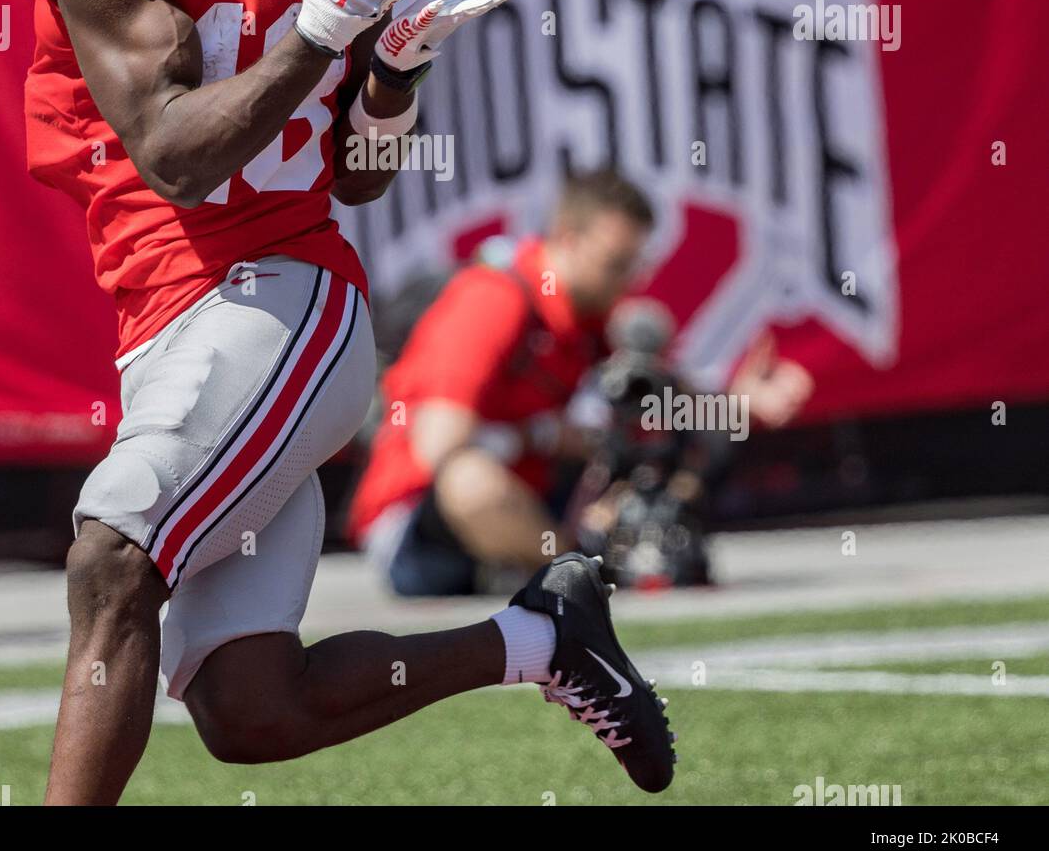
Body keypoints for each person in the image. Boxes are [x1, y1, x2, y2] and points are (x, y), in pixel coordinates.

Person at [17, 0, 676, 803]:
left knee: (112, 559)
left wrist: (392, 67)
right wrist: (319, 31)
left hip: (284, 302)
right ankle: (542, 638)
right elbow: (173, 154)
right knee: (251, 707)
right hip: (171, 316)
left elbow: (357, 172)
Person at [348, 170, 813, 595]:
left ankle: (582, 561)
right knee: (470, 479)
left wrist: (737, 405)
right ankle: (591, 571)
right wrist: (549, 437)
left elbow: (662, 397)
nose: (629, 280)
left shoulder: (588, 313)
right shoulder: (493, 298)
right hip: (422, 532)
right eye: (616, 263)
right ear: (568, 240)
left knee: (651, 441)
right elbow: (440, 446)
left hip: (529, 500)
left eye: (635, 264)